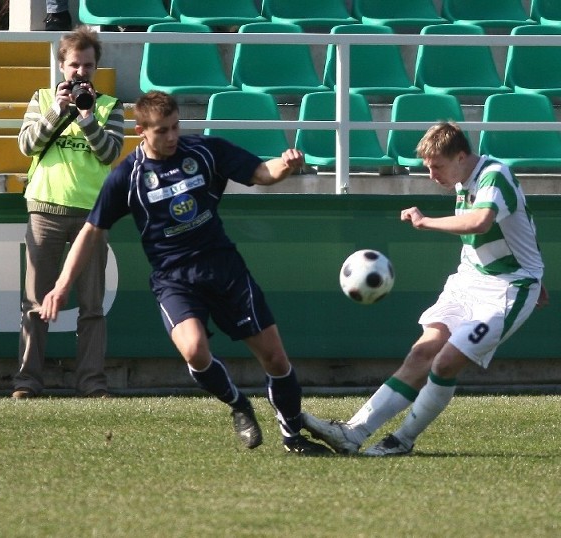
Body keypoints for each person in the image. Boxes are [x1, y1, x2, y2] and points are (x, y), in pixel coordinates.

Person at [39, 90, 331, 455]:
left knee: (274, 357)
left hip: (223, 268)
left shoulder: (205, 152)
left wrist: (285, 166)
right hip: (174, 278)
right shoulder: (127, 177)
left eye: (176, 127)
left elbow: (260, 172)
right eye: (162, 130)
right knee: (194, 350)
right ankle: (239, 404)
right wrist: (61, 286)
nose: (173, 136)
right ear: (141, 129)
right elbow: (91, 231)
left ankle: (293, 437)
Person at [303, 121, 548, 456]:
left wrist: (425, 221)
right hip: (469, 279)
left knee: (445, 363)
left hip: (507, 288)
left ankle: (401, 440)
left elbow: (480, 223)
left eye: (437, 167)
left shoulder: (494, 175)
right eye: (428, 167)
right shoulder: (465, 178)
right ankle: (352, 433)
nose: (432, 175)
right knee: (422, 353)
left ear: (462, 156)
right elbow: (516, 229)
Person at [13, 26, 125, 399]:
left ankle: (92, 384)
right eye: (74, 65)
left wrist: (88, 117)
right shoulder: (43, 98)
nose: (80, 73)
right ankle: (27, 382)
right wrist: (58, 110)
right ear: (61, 66)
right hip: (45, 208)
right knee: (34, 302)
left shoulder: (110, 105)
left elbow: (110, 153)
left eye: (88, 66)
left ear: (96, 68)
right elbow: (28, 145)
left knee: (92, 306)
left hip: (92, 216)